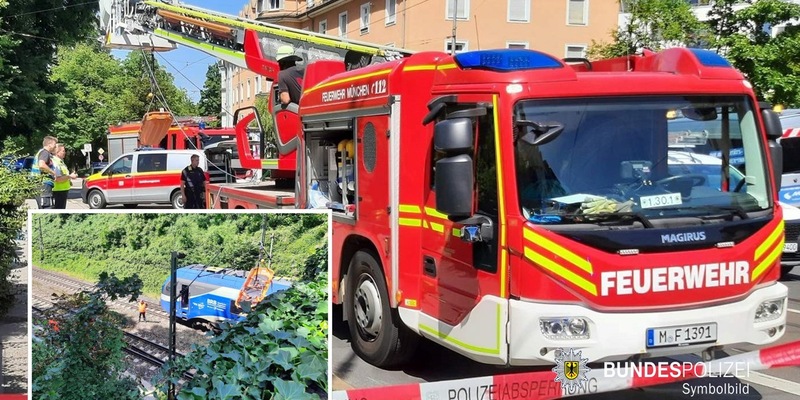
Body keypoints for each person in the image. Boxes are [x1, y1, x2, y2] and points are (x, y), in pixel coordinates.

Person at [31, 136, 58, 209]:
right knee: (47, 207)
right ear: (49, 144)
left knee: (43, 207)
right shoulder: (45, 153)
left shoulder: (41, 152)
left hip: (39, 184)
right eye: (54, 145)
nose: (55, 147)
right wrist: (53, 173)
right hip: (43, 184)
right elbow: (41, 165)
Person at [51, 144, 78, 209]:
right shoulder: (55, 162)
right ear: (57, 152)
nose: (65, 153)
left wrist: (69, 180)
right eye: (63, 151)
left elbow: (63, 175)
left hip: (62, 191)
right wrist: (70, 176)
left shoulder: (60, 161)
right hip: (58, 191)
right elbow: (57, 179)